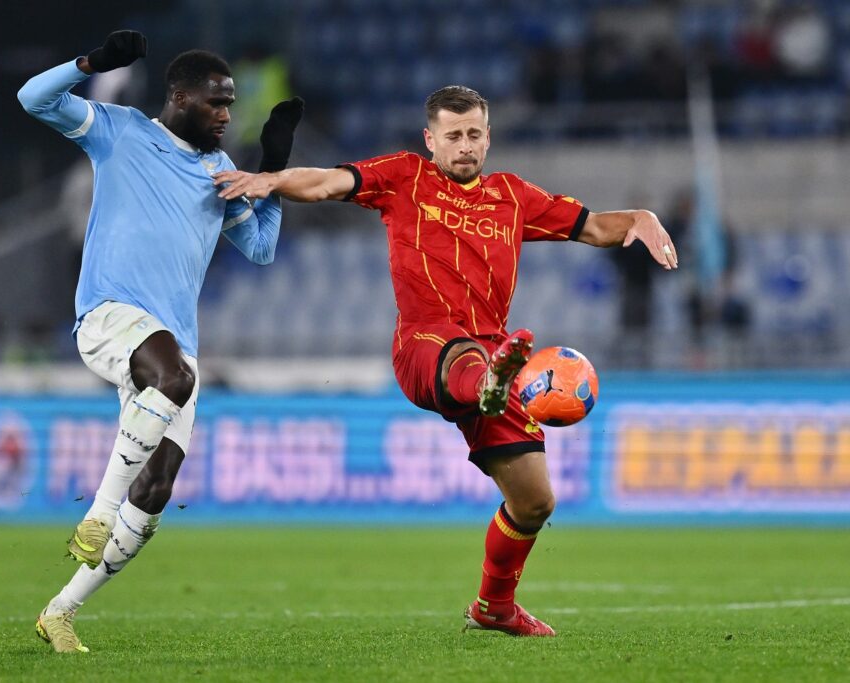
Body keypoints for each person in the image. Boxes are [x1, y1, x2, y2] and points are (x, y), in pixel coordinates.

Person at [214, 86, 677, 637]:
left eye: (474, 135)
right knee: (468, 356)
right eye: (453, 136)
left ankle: (493, 607)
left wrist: (641, 217)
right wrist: (271, 180)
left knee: (534, 501)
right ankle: (489, 383)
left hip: (495, 356)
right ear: (430, 139)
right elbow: (328, 182)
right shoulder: (405, 176)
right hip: (426, 347)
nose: (465, 146)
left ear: (488, 137)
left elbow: (597, 227)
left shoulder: (511, 196)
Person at [17, 30, 303, 653]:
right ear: (179, 97)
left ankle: (59, 612)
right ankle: (96, 514)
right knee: (175, 379)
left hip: (172, 342)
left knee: (157, 490)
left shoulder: (221, 169)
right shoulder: (117, 131)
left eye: (230, 104)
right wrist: (88, 63)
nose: (228, 114)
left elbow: (259, 250)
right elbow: (33, 98)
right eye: (216, 103)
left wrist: (272, 174)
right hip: (109, 315)